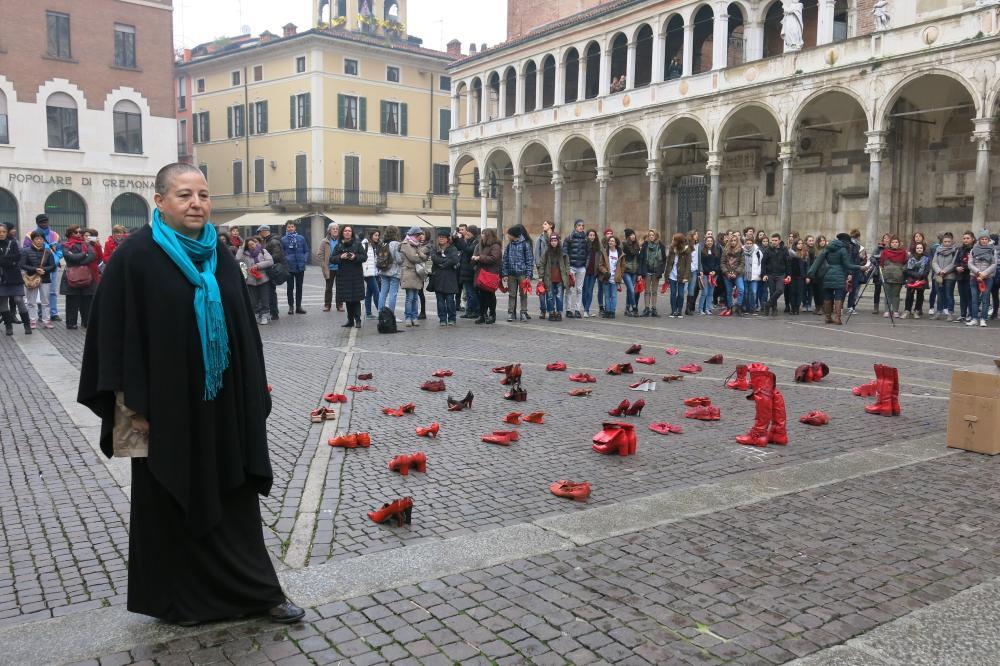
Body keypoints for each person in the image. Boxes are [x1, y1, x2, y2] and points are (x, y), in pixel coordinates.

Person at [78, 162, 304, 627]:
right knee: (172, 503)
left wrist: (254, 386)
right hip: (165, 411)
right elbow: (114, 336)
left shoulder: (218, 254)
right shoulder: (134, 256)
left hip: (223, 407)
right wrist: (134, 406)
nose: (196, 203)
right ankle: (180, 602)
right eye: (184, 195)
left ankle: (258, 591)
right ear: (159, 201)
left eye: (203, 194)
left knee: (234, 497)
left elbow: (244, 329)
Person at [807, 232, 859, 325]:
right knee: (838, 297)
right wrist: (860, 267)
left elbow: (818, 261)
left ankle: (827, 317)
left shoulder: (827, 248)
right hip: (839, 275)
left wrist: (810, 273)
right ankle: (837, 318)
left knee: (827, 296)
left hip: (827, 275)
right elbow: (847, 265)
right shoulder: (843, 250)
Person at [24, 214, 62, 321]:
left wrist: (56, 258)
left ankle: (53, 313)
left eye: (46, 221)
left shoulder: (55, 235)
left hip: (51, 267)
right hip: (37, 269)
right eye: (42, 222)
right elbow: (26, 249)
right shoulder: (29, 235)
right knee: (38, 291)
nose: (44, 223)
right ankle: (41, 313)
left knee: (52, 291)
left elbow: (59, 249)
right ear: (37, 223)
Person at [60, 225, 98, 330]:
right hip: (71, 275)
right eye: (76, 232)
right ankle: (71, 323)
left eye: (80, 232)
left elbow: (92, 255)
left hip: (86, 275)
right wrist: (83, 254)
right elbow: (69, 257)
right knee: (72, 300)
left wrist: (79, 262)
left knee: (87, 300)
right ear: (70, 233)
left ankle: (86, 322)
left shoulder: (86, 243)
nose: (79, 234)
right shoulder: (66, 245)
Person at [19, 231, 57, 329]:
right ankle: (32, 320)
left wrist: (44, 270)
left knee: (46, 301)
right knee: (31, 301)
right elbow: (22, 265)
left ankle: (46, 320)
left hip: (45, 278)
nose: (39, 241)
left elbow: (53, 266)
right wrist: (35, 269)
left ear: (43, 240)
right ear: (32, 240)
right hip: (31, 279)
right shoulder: (26, 251)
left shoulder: (48, 251)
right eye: (37, 239)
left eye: (41, 239)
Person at [332, 225, 367, 328]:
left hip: (355, 275)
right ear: (342, 232)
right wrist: (340, 257)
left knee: (356, 299)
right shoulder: (339, 245)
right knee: (347, 299)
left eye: (349, 231)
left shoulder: (357, 244)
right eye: (345, 231)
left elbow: (364, 257)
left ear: (352, 233)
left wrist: (355, 257)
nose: (347, 232)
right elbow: (332, 259)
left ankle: (358, 320)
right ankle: (350, 320)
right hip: (343, 276)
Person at [0, 224, 31, 335]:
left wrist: (4, 260)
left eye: (3, 231)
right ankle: (9, 327)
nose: (1, 234)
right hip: (1, 278)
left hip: (14, 277)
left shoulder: (12, 243)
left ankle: (27, 324)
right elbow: (11, 259)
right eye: (0, 232)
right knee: (2, 302)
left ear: (7, 232)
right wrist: (9, 260)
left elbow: (17, 256)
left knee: (19, 300)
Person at [236, 238, 274, 325]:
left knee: (264, 299)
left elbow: (270, 261)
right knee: (253, 300)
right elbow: (237, 259)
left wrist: (258, 266)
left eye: (253, 243)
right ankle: (255, 315)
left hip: (263, 279)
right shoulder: (244, 254)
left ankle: (265, 316)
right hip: (250, 280)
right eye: (249, 245)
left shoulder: (263, 251)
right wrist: (241, 247)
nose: (252, 246)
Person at [501, 224, 534, 322]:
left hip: (522, 274)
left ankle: (523, 312)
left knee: (523, 294)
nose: (507, 236)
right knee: (512, 294)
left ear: (513, 235)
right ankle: (511, 313)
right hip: (511, 274)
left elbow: (529, 260)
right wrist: (505, 274)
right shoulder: (509, 245)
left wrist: (529, 275)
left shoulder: (525, 245)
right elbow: (505, 260)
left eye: (509, 234)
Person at [400, 226, 429, 327]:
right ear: (414, 235)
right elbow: (413, 258)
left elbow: (425, 257)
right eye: (419, 236)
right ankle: (408, 317)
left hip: (417, 274)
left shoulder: (416, 245)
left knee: (415, 298)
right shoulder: (406, 244)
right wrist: (420, 256)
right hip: (409, 273)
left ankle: (414, 317)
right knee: (409, 298)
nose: (420, 238)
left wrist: (419, 255)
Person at [430, 229, 460, 326]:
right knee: (440, 301)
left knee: (450, 300)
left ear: (447, 239)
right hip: (438, 277)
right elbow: (434, 258)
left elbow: (455, 259)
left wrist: (443, 263)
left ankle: (452, 319)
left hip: (450, 278)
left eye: (443, 237)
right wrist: (446, 260)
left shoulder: (453, 248)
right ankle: (442, 319)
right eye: (440, 237)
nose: (441, 239)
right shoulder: (435, 248)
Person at [968, 229, 997, 327]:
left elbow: (994, 264)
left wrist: (984, 273)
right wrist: (978, 272)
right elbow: (970, 263)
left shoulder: (993, 250)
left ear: (988, 240)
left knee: (985, 300)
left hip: (987, 278)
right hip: (974, 277)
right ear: (979, 240)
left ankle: (983, 319)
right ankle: (974, 318)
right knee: (974, 299)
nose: (984, 240)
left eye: (986, 239)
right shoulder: (973, 250)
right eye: (982, 239)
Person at [473, 228, 502, 325]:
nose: (481, 236)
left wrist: (480, 258)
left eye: (483, 234)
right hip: (481, 274)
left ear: (488, 236)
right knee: (481, 296)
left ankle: (492, 315)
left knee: (490, 295)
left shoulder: (495, 246)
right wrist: (474, 258)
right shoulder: (480, 245)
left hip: (490, 274)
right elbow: (477, 256)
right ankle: (482, 315)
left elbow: (493, 259)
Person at [256, 225, 285, 321]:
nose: (259, 235)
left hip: (272, 269)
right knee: (270, 291)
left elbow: (277, 256)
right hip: (269, 269)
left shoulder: (273, 241)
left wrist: (265, 260)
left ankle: (274, 313)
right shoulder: (268, 240)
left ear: (263, 231)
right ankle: (272, 312)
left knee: (271, 292)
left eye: (259, 233)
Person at [539, 233, 570, 321]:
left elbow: (567, 264)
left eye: (555, 241)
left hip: (560, 278)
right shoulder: (546, 252)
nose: (553, 243)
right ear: (550, 242)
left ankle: (559, 312)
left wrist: (567, 274)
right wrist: (541, 276)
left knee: (559, 296)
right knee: (549, 296)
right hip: (549, 278)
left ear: (558, 241)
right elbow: (541, 264)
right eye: (552, 241)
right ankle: (551, 312)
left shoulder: (563, 252)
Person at [562, 219, 589, 318]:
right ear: (575, 227)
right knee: (569, 289)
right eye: (579, 225)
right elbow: (564, 252)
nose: (581, 227)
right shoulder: (569, 238)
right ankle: (568, 310)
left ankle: (577, 309)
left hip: (581, 267)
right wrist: (567, 267)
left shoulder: (586, 239)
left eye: (582, 225)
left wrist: (586, 265)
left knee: (579, 289)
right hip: (571, 267)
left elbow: (589, 253)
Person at [281, 221, 309, 315]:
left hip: (300, 266)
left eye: (292, 226)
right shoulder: (283, 239)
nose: (290, 228)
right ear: (286, 228)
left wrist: (304, 259)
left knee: (299, 287)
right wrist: (286, 259)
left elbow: (306, 250)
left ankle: (298, 307)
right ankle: (291, 307)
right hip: (289, 266)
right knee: (290, 288)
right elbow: (282, 253)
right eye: (289, 227)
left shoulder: (301, 238)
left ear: (295, 227)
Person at [638, 230, 666, 317]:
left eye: (652, 235)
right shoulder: (645, 245)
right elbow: (641, 259)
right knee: (647, 291)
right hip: (646, 271)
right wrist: (640, 272)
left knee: (654, 291)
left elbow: (664, 259)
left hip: (656, 271)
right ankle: (646, 308)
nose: (651, 236)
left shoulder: (661, 246)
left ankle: (654, 309)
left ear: (656, 236)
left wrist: (661, 270)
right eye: (650, 235)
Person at [377, 225, 404, 316]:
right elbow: (399, 260)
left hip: (383, 271)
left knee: (383, 293)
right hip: (394, 272)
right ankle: (390, 316)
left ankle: (380, 314)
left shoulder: (382, 243)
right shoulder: (396, 244)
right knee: (393, 294)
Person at [455, 225, 480, 319]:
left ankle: (474, 311)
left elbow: (468, 250)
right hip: (465, 271)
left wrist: (461, 240)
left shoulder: (476, 241)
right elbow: (460, 248)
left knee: (471, 293)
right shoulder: (469, 241)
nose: (466, 233)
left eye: (468, 231)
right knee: (468, 293)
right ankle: (469, 310)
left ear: (472, 232)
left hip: (470, 271)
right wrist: (456, 239)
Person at [931, 232, 958, 321]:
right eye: (945, 241)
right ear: (942, 241)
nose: (946, 243)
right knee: (939, 295)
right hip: (938, 276)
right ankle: (938, 311)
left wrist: (944, 271)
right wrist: (939, 271)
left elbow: (953, 263)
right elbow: (934, 262)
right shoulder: (938, 250)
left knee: (949, 295)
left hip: (950, 277)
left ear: (951, 241)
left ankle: (950, 313)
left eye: (948, 241)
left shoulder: (955, 251)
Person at [664, 233, 692, 318]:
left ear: (678, 241)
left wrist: (686, 277)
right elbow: (668, 262)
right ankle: (673, 311)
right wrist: (666, 275)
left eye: (674, 239)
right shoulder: (672, 248)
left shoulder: (687, 250)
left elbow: (688, 265)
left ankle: (679, 311)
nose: (672, 241)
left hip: (682, 275)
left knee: (680, 294)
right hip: (672, 274)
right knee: (673, 293)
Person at [761, 233, 789, 317]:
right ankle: (774, 309)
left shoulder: (784, 249)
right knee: (772, 292)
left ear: (779, 241)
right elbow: (763, 263)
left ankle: (768, 304)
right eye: (772, 240)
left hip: (781, 274)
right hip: (770, 274)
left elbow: (788, 263)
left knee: (780, 290)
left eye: (775, 240)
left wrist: (788, 274)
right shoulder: (768, 250)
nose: (774, 242)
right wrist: (764, 274)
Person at [878, 236, 906, 318]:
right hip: (887, 276)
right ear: (890, 243)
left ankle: (895, 310)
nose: (895, 244)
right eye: (893, 242)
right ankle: (887, 310)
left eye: (896, 242)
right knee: (887, 294)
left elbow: (906, 263)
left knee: (896, 294)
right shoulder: (885, 252)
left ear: (899, 243)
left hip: (898, 276)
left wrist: (902, 270)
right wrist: (882, 273)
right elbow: (881, 264)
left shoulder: (903, 252)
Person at [317, 222, 342, 312]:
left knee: (340, 287)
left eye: (337, 229)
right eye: (333, 229)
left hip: (340, 268)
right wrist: (323, 265)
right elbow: (319, 255)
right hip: (329, 268)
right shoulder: (324, 241)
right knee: (328, 288)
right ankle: (327, 305)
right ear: (329, 231)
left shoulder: (341, 241)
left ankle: (340, 305)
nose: (335, 230)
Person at [902, 242, 930, 319]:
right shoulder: (911, 258)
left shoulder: (926, 259)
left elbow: (927, 270)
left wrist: (920, 277)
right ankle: (907, 310)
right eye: (918, 248)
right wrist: (916, 275)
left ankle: (917, 311)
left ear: (923, 249)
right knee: (909, 295)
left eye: (921, 248)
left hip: (922, 279)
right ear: (915, 249)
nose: (919, 249)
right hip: (911, 279)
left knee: (920, 296)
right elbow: (908, 270)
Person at [600, 235, 624, 319]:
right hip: (607, 277)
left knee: (613, 295)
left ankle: (612, 311)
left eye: (612, 241)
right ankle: (607, 311)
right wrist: (605, 272)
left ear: (616, 243)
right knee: (607, 295)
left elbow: (623, 266)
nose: (610, 242)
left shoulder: (620, 253)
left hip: (615, 278)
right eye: (609, 241)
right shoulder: (605, 252)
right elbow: (600, 265)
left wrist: (620, 275)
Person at [533, 220, 554, 319]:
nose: (543, 225)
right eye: (543, 223)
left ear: (551, 225)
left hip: (553, 268)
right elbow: (537, 253)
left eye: (545, 224)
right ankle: (543, 310)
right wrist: (538, 266)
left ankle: (550, 310)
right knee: (542, 290)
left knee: (550, 291)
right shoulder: (540, 238)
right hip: (542, 267)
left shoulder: (555, 237)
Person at [580, 228, 602, 318]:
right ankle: (586, 309)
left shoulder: (598, 247)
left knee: (590, 291)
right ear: (587, 236)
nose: (592, 237)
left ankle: (586, 310)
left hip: (593, 272)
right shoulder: (584, 245)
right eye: (590, 235)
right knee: (584, 291)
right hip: (584, 271)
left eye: (593, 235)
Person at [954, 231, 975, 323]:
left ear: (972, 239)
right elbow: (956, 261)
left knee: (969, 296)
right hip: (960, 276)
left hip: (970, 276)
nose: (965, 240)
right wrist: (957, 267)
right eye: (964, 238)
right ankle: (962, 315)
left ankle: (971, 314)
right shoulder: (959, 249)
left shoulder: (974, 249)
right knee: (962, 296)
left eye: (968, 238)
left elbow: (974, 262)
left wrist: (965, 267)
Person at [620, 228, 641, 317]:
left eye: (633, 234)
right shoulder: (624, 245)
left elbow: (638, 260)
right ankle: (635, 307)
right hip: (626, 270)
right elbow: (620, 257)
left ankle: (627, 309)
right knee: (631, 289)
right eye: (631, 235)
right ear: (628, 236)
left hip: (634, 271)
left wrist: (639, 272)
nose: (633, 236)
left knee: (630, 290)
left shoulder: (637, 245)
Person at [697, 235, 720, 315]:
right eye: (708, 241)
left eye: (711, 241)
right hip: (706, 275)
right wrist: (708, 271)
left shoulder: (716, 251)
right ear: (705, 242)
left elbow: (718, 263)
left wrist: (715, 271)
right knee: (705, 292)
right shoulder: (702, 251)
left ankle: (708, 308)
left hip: (714, 275)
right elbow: (702, 263)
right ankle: (700, 309)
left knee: (711, 293)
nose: (709, 242)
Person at [361, 229, 381, 320]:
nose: (377, 237)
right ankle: (381, 312)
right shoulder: (365, 244)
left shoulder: (376, 245)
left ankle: (368, 314)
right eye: (375, 235)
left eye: (378, 235)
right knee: (376, 292)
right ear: (371, 235)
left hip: (375, 272)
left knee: (369, 293)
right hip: (368, 272)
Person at [787, 239, 808, 315]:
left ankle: (797, 308)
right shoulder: (791, 253)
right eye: (798, 243)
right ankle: (792, 308)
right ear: (795, 245)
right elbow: (788, 265)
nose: (800, 245)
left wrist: (806, 276)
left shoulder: (804, 254)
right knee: (792, 292)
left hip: (801, 276)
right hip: (792, 276)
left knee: (799, 293)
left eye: (801, 243)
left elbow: (806, 266)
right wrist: (788, 275)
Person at [870, 233, 889, 315]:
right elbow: (872, 257)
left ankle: (888, 308)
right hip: (878, 271)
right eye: (885, 238)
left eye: (888, 238)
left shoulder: (892, 248)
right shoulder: (878, 248)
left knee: (888, 290)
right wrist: (876, 261)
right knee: (877, 290)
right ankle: (875, 307)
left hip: (888, 271)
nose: (886, 239)